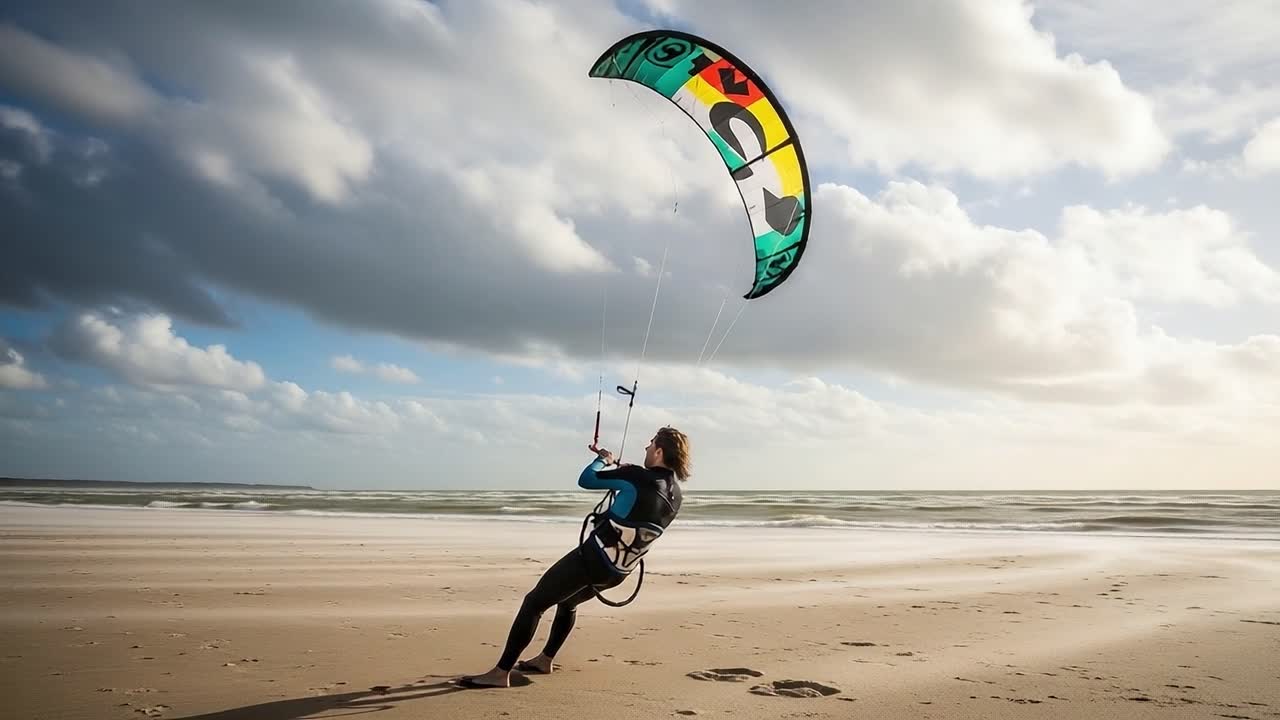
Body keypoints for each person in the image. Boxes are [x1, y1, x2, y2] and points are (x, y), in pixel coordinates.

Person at [458, 426, 690, 688]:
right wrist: (622, 468)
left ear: (659, 451)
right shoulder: (676, 494)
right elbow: (639, 500)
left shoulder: (636, 477)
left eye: (650, 444)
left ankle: (500, 674)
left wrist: (603, 459)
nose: (646, 448)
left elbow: (587, 479)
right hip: (619, 572)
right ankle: (545, 659)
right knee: (568, 602)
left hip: (593, 559)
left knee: (534, 602)